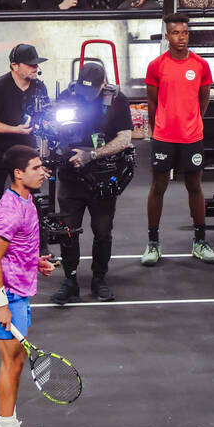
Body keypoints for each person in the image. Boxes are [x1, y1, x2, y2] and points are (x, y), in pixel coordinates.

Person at [0, 144, 56, 427]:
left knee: (17, 361)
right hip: (7, 297)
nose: (43, 172)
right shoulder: (10, 209)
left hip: (20, 291)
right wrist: (1, 305)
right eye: (37, 167)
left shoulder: (26, 201)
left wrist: (33, 261)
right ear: (18, 174)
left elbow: (15, 251)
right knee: (10, 364)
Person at [49, 63, 133, 305]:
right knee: (67, 230)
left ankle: (99, 278)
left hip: (102, 177)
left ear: (102, 84)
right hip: (70, 176)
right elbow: (55, 133)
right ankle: (70, 280)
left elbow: (125, 138)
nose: (87, 97)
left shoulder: (117, 101)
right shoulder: (67, 97)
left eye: (92, 92)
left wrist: (93, 155)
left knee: (103, 231)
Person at [141, 13, 214, 267]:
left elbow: (203, 98)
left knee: (194, 186)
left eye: (185, 32)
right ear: (167, 37)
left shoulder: (200, 65)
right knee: (158, 186)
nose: (181, 37)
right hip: (164, 137)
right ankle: (153, 243)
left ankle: (200, 241)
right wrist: (157, 129)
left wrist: (193, 119)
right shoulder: (156, 66)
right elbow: (152, 103)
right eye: (176, 33)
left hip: (192, 137)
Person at [0, 45, 50, 270]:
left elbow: (44, 117)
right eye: (30, 64)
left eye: (37, 64)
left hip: (26, 150)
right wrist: (15, 130)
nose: (35, 68)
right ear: (14, 66)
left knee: (34, 198)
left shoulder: (39, 88)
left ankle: (41, 247)